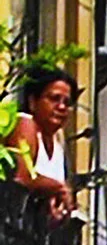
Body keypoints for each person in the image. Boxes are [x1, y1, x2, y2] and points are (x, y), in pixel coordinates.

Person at [6, 69, 75, 224]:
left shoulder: (58, 142)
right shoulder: (26, 124)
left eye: (67, 102)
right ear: (33, 102)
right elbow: (21, 177)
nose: (62, 107)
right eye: (54, 99)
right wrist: (58, 187)